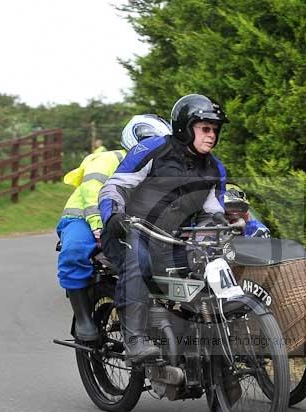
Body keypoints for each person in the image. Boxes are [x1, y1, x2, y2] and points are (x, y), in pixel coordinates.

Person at [99, 93, 229, 365]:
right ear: (184, 127)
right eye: (205, 129)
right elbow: (115, 187)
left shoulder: (215, 168)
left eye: (215, 130)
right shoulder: (153, 149)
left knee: (212, 265)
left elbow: (213, 213)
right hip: (130, 229)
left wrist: (210, 232)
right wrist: (114, 216)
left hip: (172, 241)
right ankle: (135, 339)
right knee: (139, 259)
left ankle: (213, 357)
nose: (211, 136)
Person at [57, 114, 171, 344]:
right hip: (83, 217)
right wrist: (99, 227)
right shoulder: (108, 159)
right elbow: (92, 192)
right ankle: (83, 318)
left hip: (124, 222)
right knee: (76, 249)